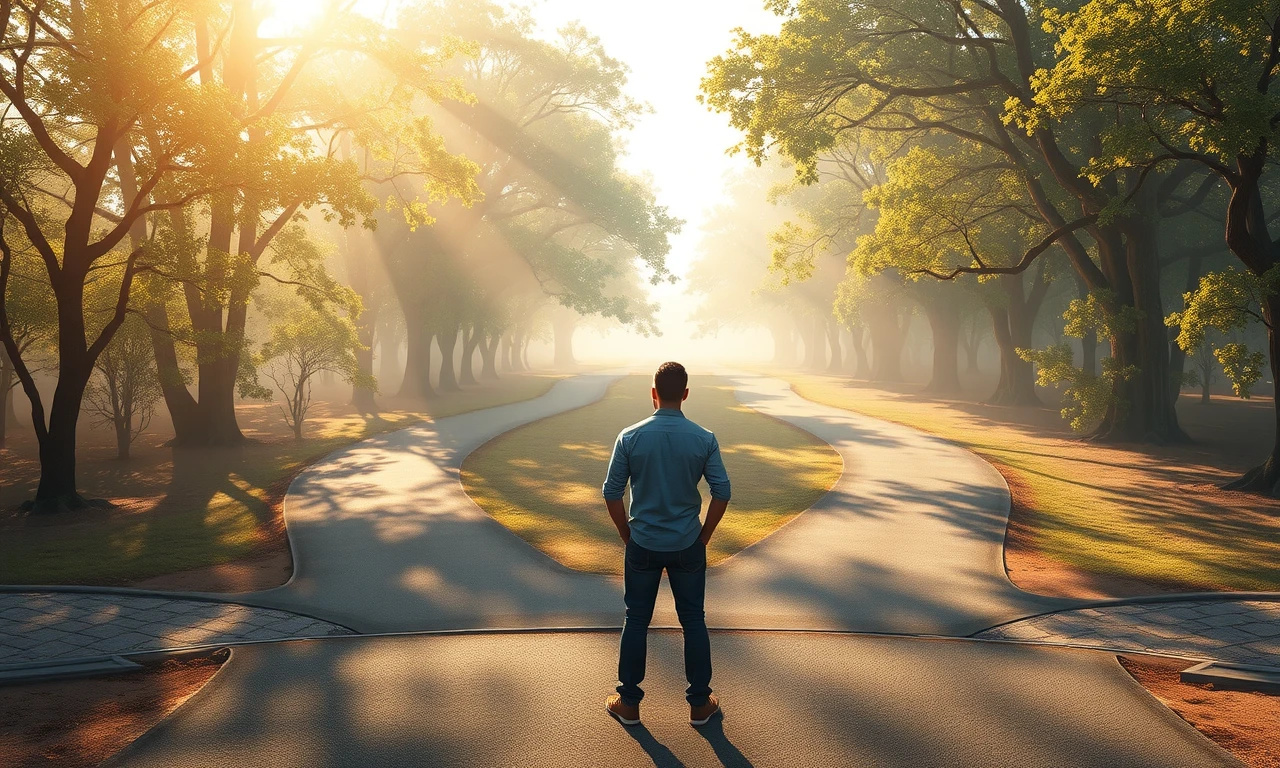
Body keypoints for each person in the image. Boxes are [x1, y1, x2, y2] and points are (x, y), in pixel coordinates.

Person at [601, 361, 731, 727]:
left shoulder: (630, 436)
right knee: (693, 620)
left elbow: (611, 492)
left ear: (653, 393)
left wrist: (627, 534)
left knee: (636, 619)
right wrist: (704, 536)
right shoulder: (704, 438)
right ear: (685, 394)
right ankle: (700, 706)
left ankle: (628, 703)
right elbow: (722, 491)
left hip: (642, 541)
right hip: (687, 541)